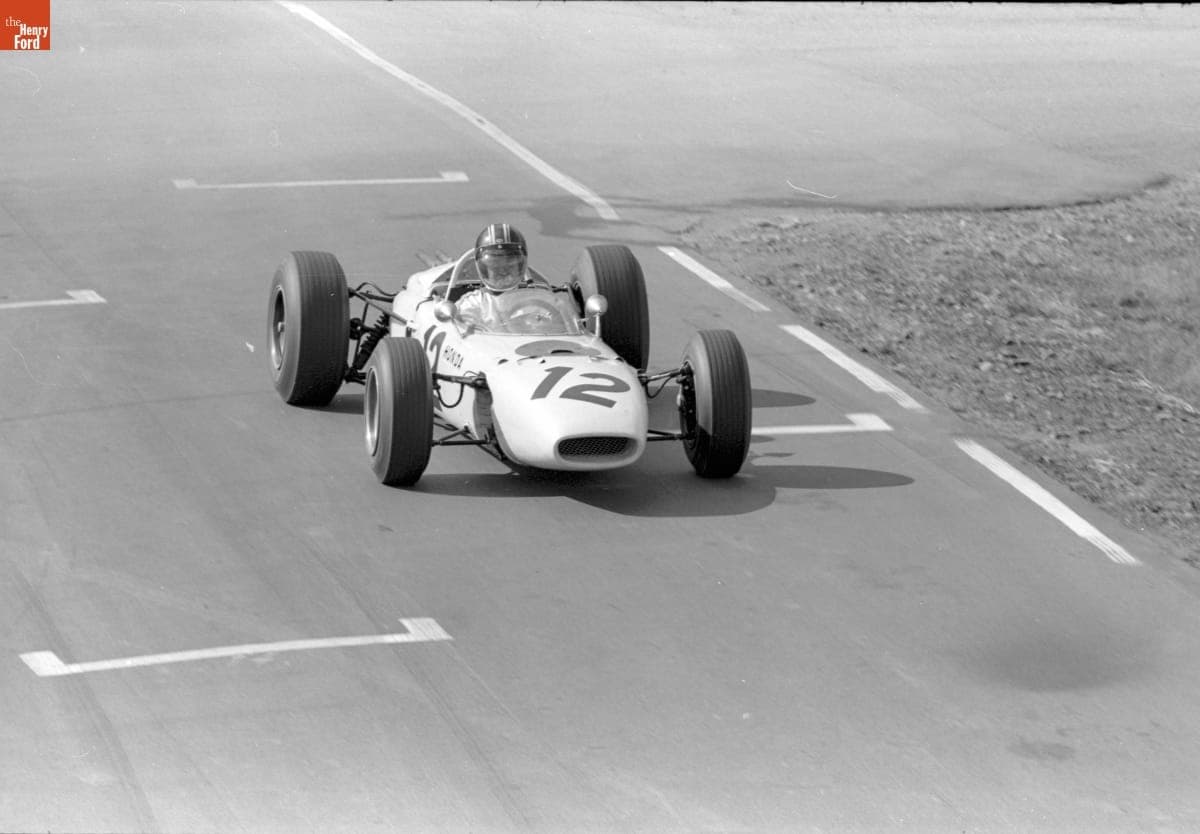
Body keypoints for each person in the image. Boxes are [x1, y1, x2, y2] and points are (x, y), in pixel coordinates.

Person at [455, 224, 580, 335]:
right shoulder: (473, 304)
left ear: (520, 266)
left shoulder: (549, 300)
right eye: (495, 266)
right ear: (484, 268)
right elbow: (463, 339)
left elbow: (574, 335)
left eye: (510, 265)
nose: (503, 272)